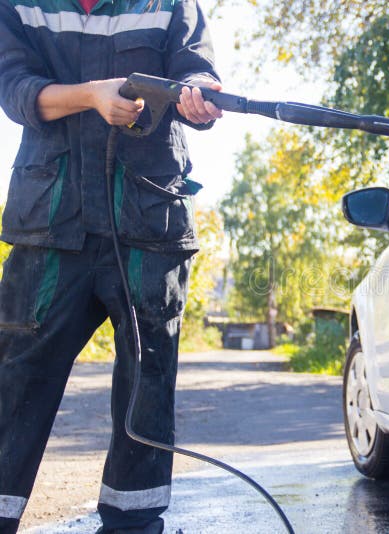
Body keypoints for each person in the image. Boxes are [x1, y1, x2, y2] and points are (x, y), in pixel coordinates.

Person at [0, 0, 222, 531]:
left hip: (147, 225)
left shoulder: (167, 5)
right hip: (52, 228)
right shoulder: (21, 6)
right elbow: (15, 90)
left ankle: (134, 521)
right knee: (17, 379)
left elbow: (195, 68)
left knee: (148, 378)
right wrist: (94, 95)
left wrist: (198, 95)